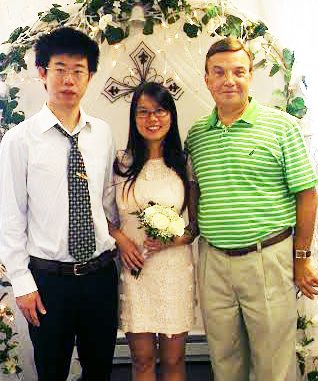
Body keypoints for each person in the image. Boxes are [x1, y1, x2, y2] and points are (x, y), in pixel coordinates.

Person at [185, 37, 318, 381]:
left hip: (267, 259)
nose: (229, 80)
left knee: (273, 365)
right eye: (219, 72)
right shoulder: (197, 135)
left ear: (250, 77)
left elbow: (307, 193)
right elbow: (196, 194)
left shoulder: (281, 127)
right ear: (207, 79)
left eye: (238, 72)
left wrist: (301, 258)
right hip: (213, 262)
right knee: (224, 361)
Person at [0, 27, 118, 381]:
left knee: (100, 370)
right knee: (51, 371)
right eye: (59, 68)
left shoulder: (103, 134)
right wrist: (22, 282)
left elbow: (106, 201)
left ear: (90, 76)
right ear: (42, 73)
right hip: (49, 281)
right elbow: (9, 215)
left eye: (78, 70)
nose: (69, 79)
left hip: (99, 276)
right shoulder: (20, 140)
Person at [109, 81, 195, 381]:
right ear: (134, 119)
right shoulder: (121, 163)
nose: (152, 119)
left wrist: (172, 240)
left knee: (174, 360)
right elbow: (103, 216)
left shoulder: (184, 163)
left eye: (159, 110)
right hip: (136, 271)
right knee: (142, 359)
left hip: (173, 269)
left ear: (171, 115)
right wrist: (121, 240)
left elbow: (194, 227)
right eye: (143, 112)